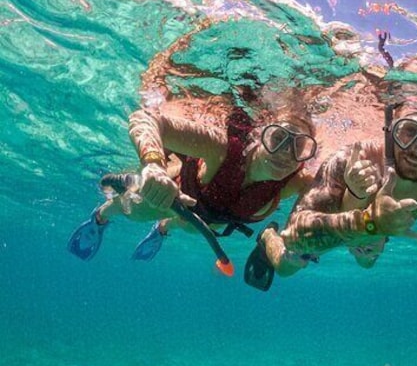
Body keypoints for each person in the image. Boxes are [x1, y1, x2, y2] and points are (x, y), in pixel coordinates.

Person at [67, 99, 317, 265]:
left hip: (213, 217)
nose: (286, 153)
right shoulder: (220, 148)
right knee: (139, 209)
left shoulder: (295, 181)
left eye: (299, 146)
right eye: (278, 138)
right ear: (259, 136)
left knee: (190, 226)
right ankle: (101, 216)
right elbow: (146, 118)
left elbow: (338, 199)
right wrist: (153, 165)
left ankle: (163, 230)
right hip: (173, 195)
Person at [245, 101, 417, 288]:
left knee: (367, 264)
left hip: (373, 231)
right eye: (410, 131)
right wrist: (370, 222)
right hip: (335, 222)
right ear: (390, 131)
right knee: (286, 267)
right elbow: (292, 236)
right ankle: (267, 236)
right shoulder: (350, 159)